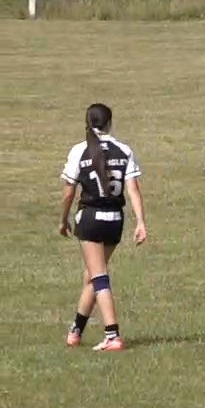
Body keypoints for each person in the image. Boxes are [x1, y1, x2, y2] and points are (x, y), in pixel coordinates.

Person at [58, 104, 149, 352]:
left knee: (98, 277)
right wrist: (141, 222)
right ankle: (75, 331)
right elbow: (134, 191)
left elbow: (69, 192)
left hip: (90, 218)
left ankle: (112, 334)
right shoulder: (125, 150)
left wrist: (63, 219)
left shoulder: (80, 150)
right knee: (92, 274)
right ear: (109, 123)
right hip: (115, 221)